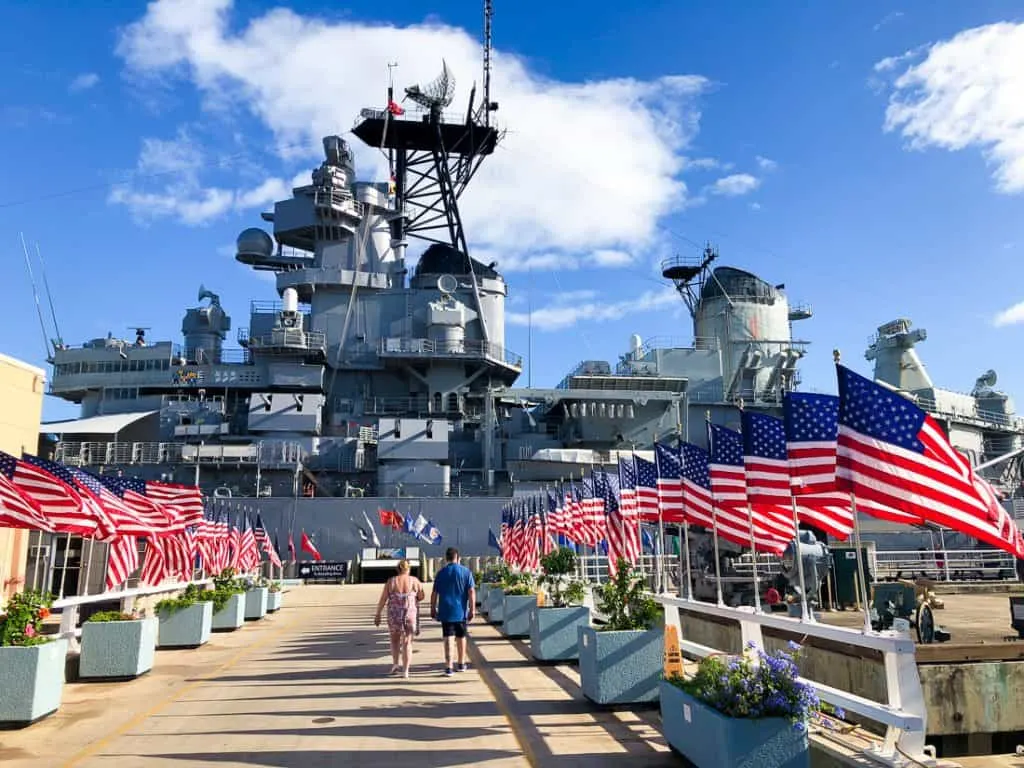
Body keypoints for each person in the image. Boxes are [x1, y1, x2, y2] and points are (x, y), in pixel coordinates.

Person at [374, 559, 425, 678]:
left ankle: (395, 664)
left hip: (394, 614)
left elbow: (383, 600)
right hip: (409, 614)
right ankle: (406, 670)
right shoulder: (415, 581)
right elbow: (421, 596)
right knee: (407, 641)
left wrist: (378, 614)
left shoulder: (391, 582)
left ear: (398, 569)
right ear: (408, 569)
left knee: (394, 640)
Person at [431, 546, 476, 676]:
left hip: (445, 611)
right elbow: (471, 592)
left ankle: (448, 666)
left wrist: (433, 608)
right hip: (461, 611)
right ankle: (461, 663)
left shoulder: (441, 573)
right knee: (461, 637)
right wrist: (472, 609)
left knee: (448, 638)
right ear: (458, 558)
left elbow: (434, 593)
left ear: (446, 558)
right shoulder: (466, 572)